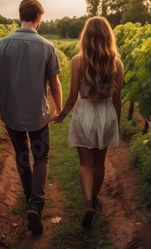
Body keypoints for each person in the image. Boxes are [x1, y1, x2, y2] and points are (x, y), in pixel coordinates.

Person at [0, 0, 62, 234]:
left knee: (21, 154)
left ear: (20, 15)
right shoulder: (47, 47)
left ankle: (30, 198)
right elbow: (55, 82)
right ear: (39, 17)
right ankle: (36, 204)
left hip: (11, 113)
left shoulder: (2, 44)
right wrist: (58, 108)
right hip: (37, 114)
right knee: (41, 157)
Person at [51, 16, 124, 227]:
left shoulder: (77, 61)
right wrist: (115, 124)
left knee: (86, 163)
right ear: (107, 36)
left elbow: (73, 96)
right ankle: (95, 197)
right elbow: (117, 100)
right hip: (106, 112)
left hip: (84, 112)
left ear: (86, 36)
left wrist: (62, 115)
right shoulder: (116, 63)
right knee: (100, 162)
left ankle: (88, 203)